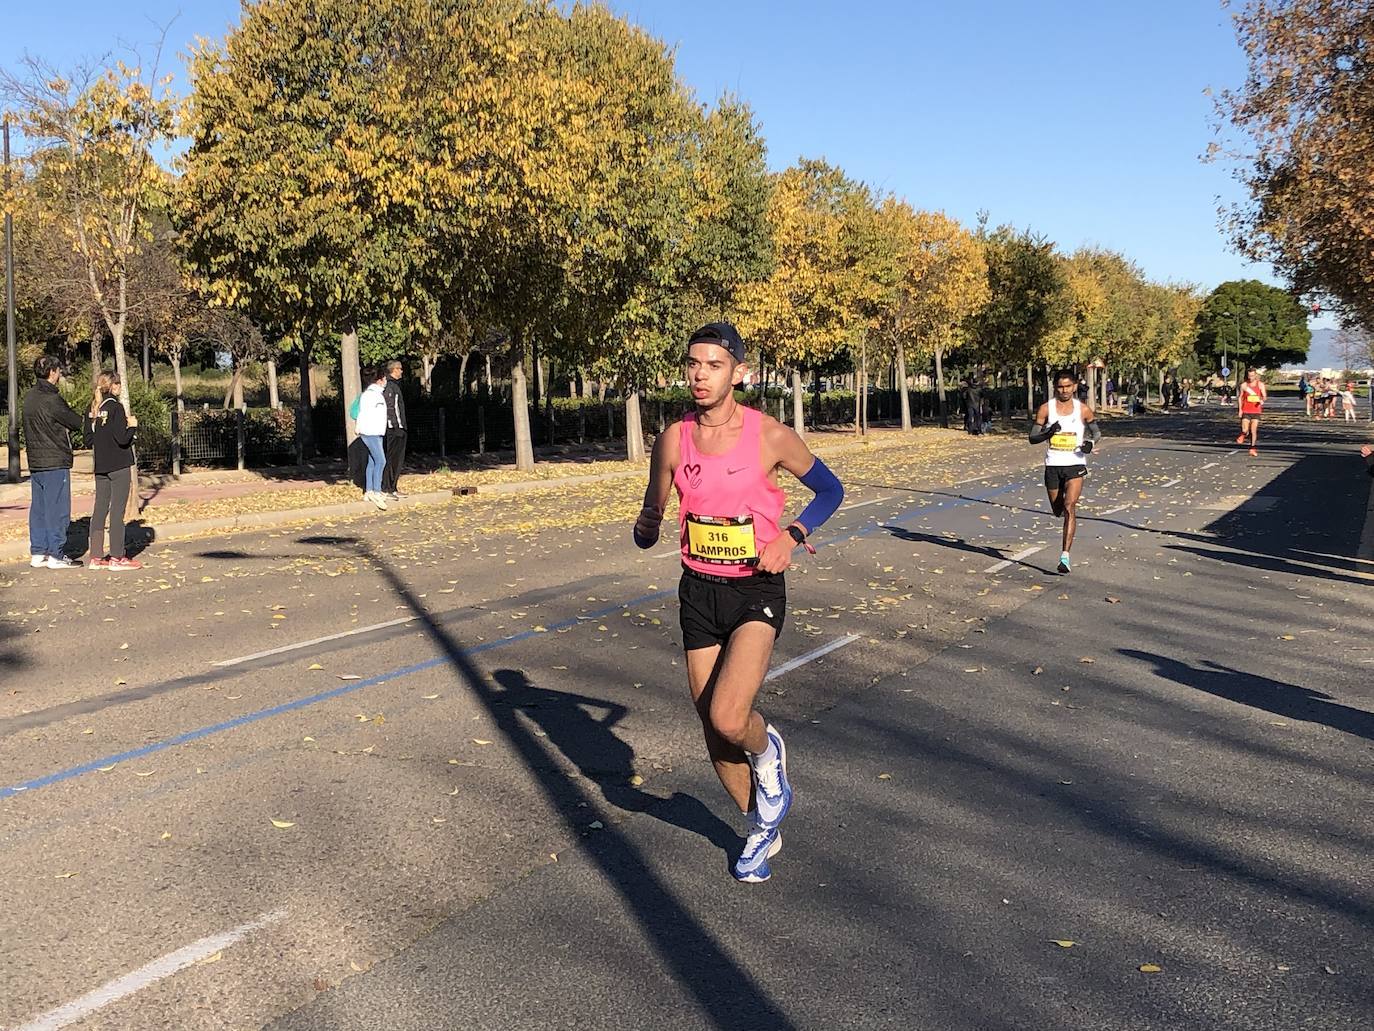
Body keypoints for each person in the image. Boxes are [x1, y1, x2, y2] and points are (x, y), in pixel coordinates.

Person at [632, 322, 844, 884]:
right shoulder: (674, 438)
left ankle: (769, 754)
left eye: (714, 365)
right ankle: (761, 828)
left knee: (731, 715)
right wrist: (647, 523)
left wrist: (792, 535)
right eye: (693, 363)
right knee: (712, 729)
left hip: (754, 587)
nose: (700, 374)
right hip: (698, 591)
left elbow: (831, 490)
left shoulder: (769, 435)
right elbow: (651, 517)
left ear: (739, 373)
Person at [1029, 369, 1100, 574]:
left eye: (1068, 386)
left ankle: (1065, 557)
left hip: (1075, 464)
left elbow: (1096, 432)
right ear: (1055, 387)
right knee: (1058, 509)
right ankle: (1061, 515)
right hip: (1053, 465)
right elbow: (1032, 438)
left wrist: (1090, 443)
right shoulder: (1046, 409)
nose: (1064, 390)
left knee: (1070, 506)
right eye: (1060, 386)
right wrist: (1048, 432)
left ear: (1075, 386)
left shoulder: (1082, 409)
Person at [22, 356, 85, 569]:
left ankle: (38, 551)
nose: (59, 374)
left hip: (36, 461)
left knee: (39, 508)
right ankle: (56, 554)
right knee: (57, 508)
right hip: (55, 460)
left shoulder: (29, 398)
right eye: (58, 371)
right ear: (52, 373)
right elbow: (75, 422)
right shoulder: (52, 399)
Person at [85, 371, 141, 570]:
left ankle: (96, 556)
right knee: (117, 511)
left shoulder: (93, 408)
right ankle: (117, 556)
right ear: (114, 386)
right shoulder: (116, 408)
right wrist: (132, 427)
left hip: (101, 466)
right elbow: (122, 438)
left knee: (99, 509)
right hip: (118, 465)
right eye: (118, 384)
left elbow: (88, 439)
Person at [353, 367, 390, 510]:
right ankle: (376, 490)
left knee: (373, 461)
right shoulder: (370, 395)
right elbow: (363, 413)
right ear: (379, 380)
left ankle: (369, 491)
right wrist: (360, 428)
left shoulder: (377, 394)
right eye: (384, 378)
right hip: (370, 432)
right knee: (381, 460)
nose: (386, 381)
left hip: (377, 431)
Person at [381, 359, 408, 500]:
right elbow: (391, 408)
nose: (402, 371)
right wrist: (398, 427)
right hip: (394, 429)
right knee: (391, 459)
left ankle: (393, 487)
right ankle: (387, 488)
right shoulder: (390, 386)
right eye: (400, 368)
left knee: (397, 460)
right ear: (394, 369)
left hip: (397, 427)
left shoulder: (394, 385)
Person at [1236, 368, 1266, 455]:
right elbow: (1240, 397)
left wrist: (1261, 400)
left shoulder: (1260, 385)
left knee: (1253, 430)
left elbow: (1264, 396)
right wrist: (1240, 410)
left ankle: (1252, 448)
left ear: (1256, 375)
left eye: (1252, 375)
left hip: (1256, 411)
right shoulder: (1244, 385)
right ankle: (1243, 434)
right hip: (1246, 410)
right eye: (1249, 376)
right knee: (1245, 429)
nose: (1251, 377)